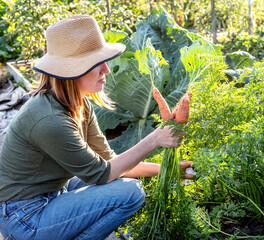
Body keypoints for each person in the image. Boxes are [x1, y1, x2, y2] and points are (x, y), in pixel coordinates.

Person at [0, 15, 193, 240]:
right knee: (130, 193)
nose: (106, 70)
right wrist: (154, 139)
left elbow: (111, 162)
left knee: (117, 181)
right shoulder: (50, 120)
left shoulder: (78, 103)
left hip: (48, 195)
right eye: (96, 63)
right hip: (23, 217)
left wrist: (169, 170)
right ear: (71, 72)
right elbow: (103, 174)